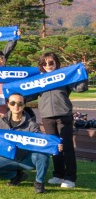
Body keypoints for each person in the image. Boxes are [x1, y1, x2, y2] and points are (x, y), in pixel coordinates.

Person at [36, 52, 87, 188]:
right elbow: (29, 94)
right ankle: (58, 175)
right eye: (44, 63)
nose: (48, 65)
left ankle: (70, 178)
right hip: (47, 116)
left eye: (51, 62)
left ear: (56, 63)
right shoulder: (38, 80)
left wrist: (83, 74)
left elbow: (80, 88)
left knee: (67, 147)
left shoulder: (63, 76)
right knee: (54, 147)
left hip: (63, 114)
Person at [0, 93, 50, 193]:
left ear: (24, 105)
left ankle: (39, 182)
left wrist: (54, 145)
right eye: (13, 103)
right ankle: (16, 176)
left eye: (20, 103)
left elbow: (40, 141)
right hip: (10, 157)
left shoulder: (32, 124)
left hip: (27, 158)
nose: (16, 106)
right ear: (8, 104)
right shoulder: (2, 121)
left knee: (43, 154)